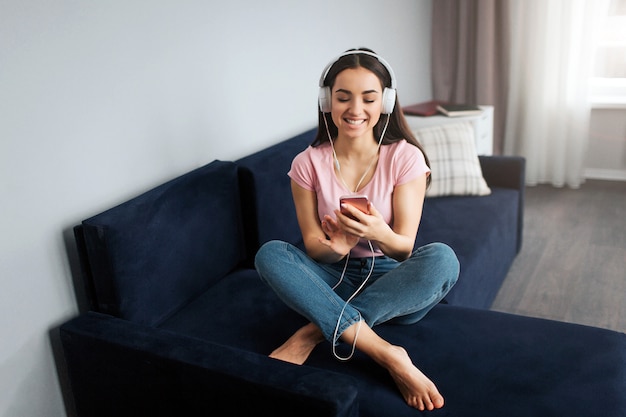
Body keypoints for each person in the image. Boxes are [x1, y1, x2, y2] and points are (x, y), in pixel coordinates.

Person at [254, 48, 460, 412]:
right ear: (326, 100)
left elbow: (403, 250)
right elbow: (315, 249)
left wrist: (379, 231)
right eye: (343, 96)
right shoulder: (307, 163)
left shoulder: (404, 157)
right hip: (330, 275)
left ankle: (312, 332)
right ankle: (388, 354)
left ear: (386, 101)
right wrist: (340, 244)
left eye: (368, 97)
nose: (355, 109)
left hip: (391, 280)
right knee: (271, 253)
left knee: (442, 258)